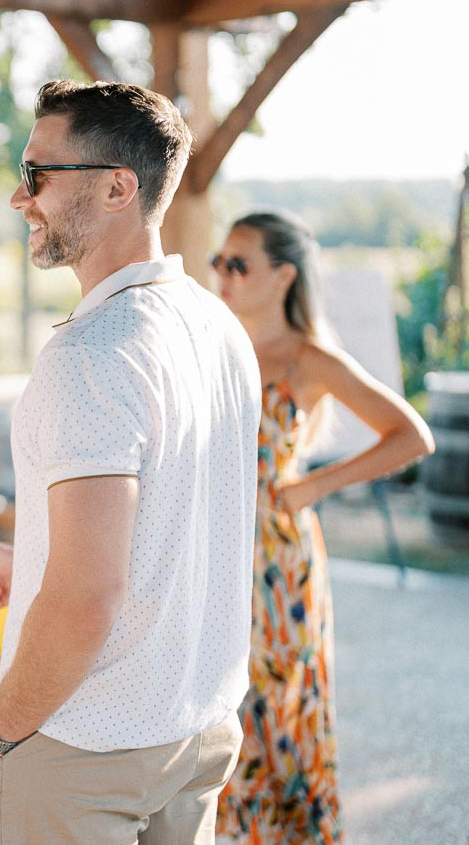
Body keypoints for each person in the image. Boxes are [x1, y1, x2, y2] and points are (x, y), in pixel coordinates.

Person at [0, 79, 261, 844]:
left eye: (38, 175)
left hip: (81, 752)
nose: (20, 199)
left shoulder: (91, 353)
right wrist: (33, 564)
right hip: (191, 737)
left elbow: (89, 599)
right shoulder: (216, 326)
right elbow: (175, 533)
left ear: (119, 188)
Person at [211, 210, 433, 843]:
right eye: (218, 262)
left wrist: (314, 485)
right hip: (217, 556)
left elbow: (410, 437)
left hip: (279, 567)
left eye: (239, 263)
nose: (223, 275)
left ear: (282, 275)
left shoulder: (310, 359)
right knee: (222, 712)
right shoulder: (215, 343)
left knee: (280, 711)